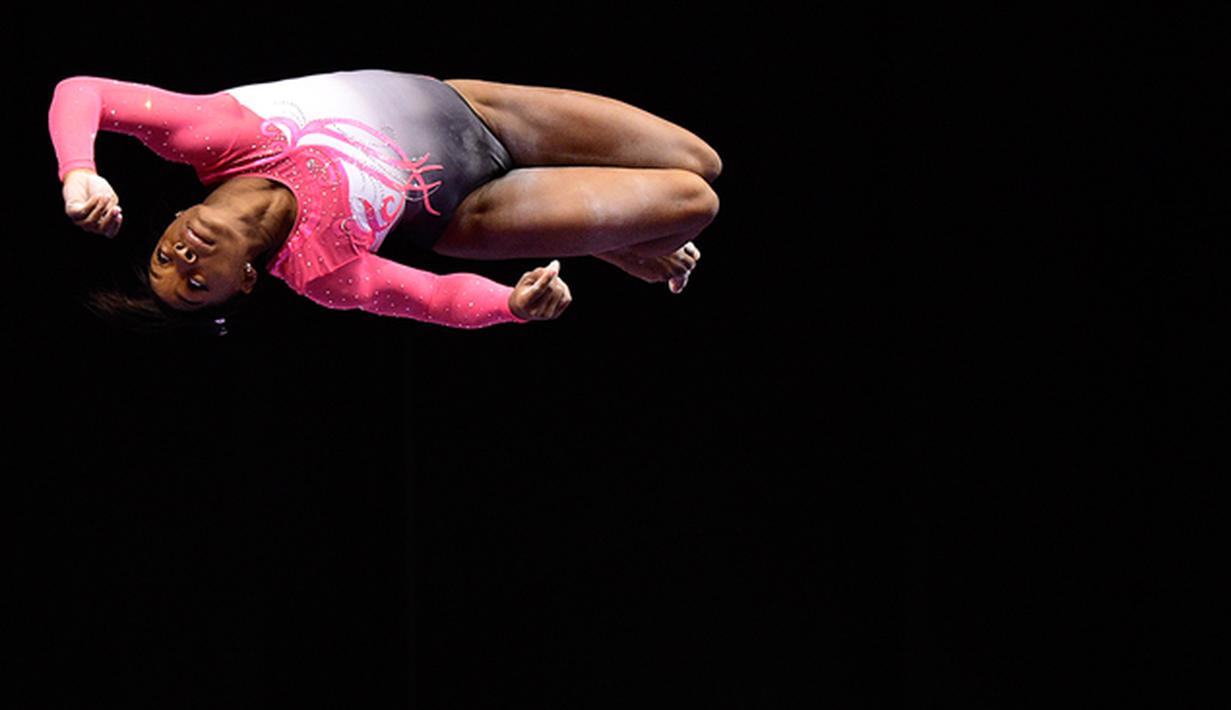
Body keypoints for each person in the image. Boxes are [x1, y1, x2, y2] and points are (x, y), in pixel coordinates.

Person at [49, 69, 721, 332]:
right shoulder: (322, 274)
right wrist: (512, 306)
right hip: (474, 207)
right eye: (196, 285)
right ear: (245, 282)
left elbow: (85, 92)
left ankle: (610, 244)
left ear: (173, 219)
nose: (186, 259)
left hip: (472, 108)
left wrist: (78, 172)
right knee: (691, 202)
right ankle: (604, 239)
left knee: (700, 160)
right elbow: (433, 299)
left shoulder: (212, 136)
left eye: (167, 254)